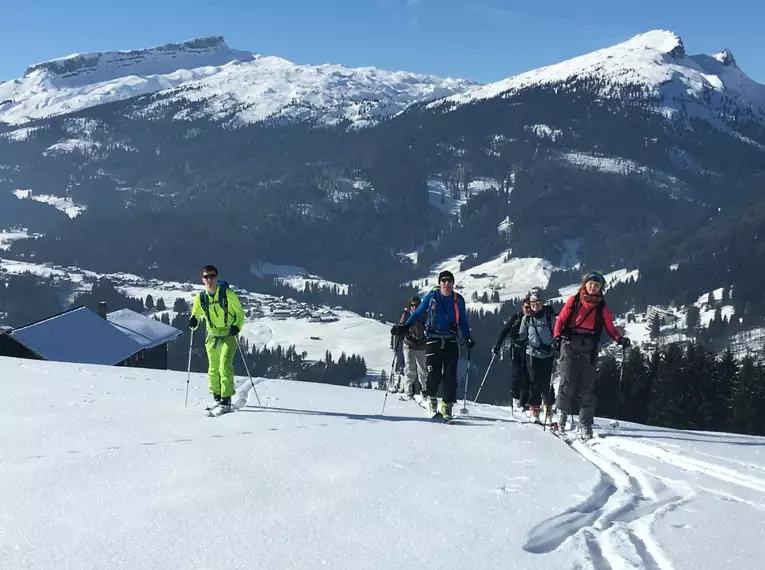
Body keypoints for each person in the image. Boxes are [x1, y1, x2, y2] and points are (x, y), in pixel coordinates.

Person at [553, 271, 630, 440]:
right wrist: (557, 337)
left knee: (587, 387)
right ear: (585, 285)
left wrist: (619, 339)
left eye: (597, 285)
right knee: (567, 382)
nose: (593, 287)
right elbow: (560, 320)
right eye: (591, 284)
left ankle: (585, 423)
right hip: (570, 343)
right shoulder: (573, 301)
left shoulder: (602, 307)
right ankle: (561, 415)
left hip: (589, 346)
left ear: (600, 287)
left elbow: (610, 327)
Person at [397, 270, 475, 421]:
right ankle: (432, 399)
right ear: (439, 283)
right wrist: (405, 327)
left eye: (449, 281)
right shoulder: (431, 297)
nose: (446, 284)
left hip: (451, 339)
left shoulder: (458, 300)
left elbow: (463, 321)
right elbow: (417, 313)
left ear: (453, 283)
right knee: (433, 375)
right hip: (433, 339)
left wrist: (467, 337)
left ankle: (447, 406)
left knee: (450, 376)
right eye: (443, 281)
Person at [188, 265, 245, 413]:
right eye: (206, 277)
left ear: (216, 277)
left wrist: (236, 327)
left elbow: (239, 313)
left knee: (224, 365)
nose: (209, 279)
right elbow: (195, 315)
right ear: (202, 279)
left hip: (228, 335)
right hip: (212, 336)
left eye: (212, 276)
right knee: (213, 368)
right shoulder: (201, 298)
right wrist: (193, 322)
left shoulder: (228, 294)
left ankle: (226, 399)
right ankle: (217, 397)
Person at [516, 291, 557, 423]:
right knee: (534, 381)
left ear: (542, 304)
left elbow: (556, 333)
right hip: (532, 354)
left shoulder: (550, 317)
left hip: (548, 354)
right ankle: (534, 409)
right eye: (533, 303)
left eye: (538, 303)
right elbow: (522, 334)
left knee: (546, 382)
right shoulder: (526, 319)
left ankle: (548, 406)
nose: (535, 306)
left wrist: (556, 342)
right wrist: (515, 337)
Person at [492, 297, 532, 410]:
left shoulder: (535, 319)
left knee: (528, 375)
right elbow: (505, 331)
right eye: (526, 307)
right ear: (522, 307)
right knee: (517, 374)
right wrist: (498, 345)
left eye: (530, 307)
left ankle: (524, 402)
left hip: (530, 350)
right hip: (517, 349)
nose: (528, 310)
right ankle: (516, 399)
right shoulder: (516, 318)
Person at [389, 296, 428, 401]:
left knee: (422, 370)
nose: (414, 307)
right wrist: (397, 331)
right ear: (409, 306)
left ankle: (425, 391)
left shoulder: (425, 315)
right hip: (409, 344)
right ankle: (409, 392)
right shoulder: (406, 315)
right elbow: (401, 327)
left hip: (421, 345)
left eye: (417, 305)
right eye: (412, 305)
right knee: (410, 369)